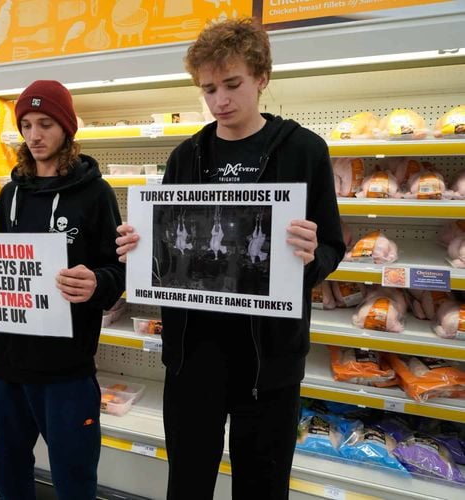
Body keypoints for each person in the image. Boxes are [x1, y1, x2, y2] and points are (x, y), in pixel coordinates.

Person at [116, 18, 345, 499]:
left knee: (262, 486)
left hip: (268, 362)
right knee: (188, 482)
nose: (220, 100)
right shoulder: (186, 156)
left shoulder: (303, 151)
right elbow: (171, 246)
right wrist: (141, 249)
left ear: (262, 77)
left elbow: (332, 248)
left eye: (233, 84)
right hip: (193, 356)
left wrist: (311, 256)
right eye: (209, 88)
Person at [0, 80, 125, 500]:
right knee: (7, 467)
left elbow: (117, 270)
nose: (35, 135)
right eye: (26, 124)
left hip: (67, 371)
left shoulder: (95, 194)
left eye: (45, 123)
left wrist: (98, 282)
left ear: (66, 128)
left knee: (75, 477)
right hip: (5, 369)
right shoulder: (9, 196)